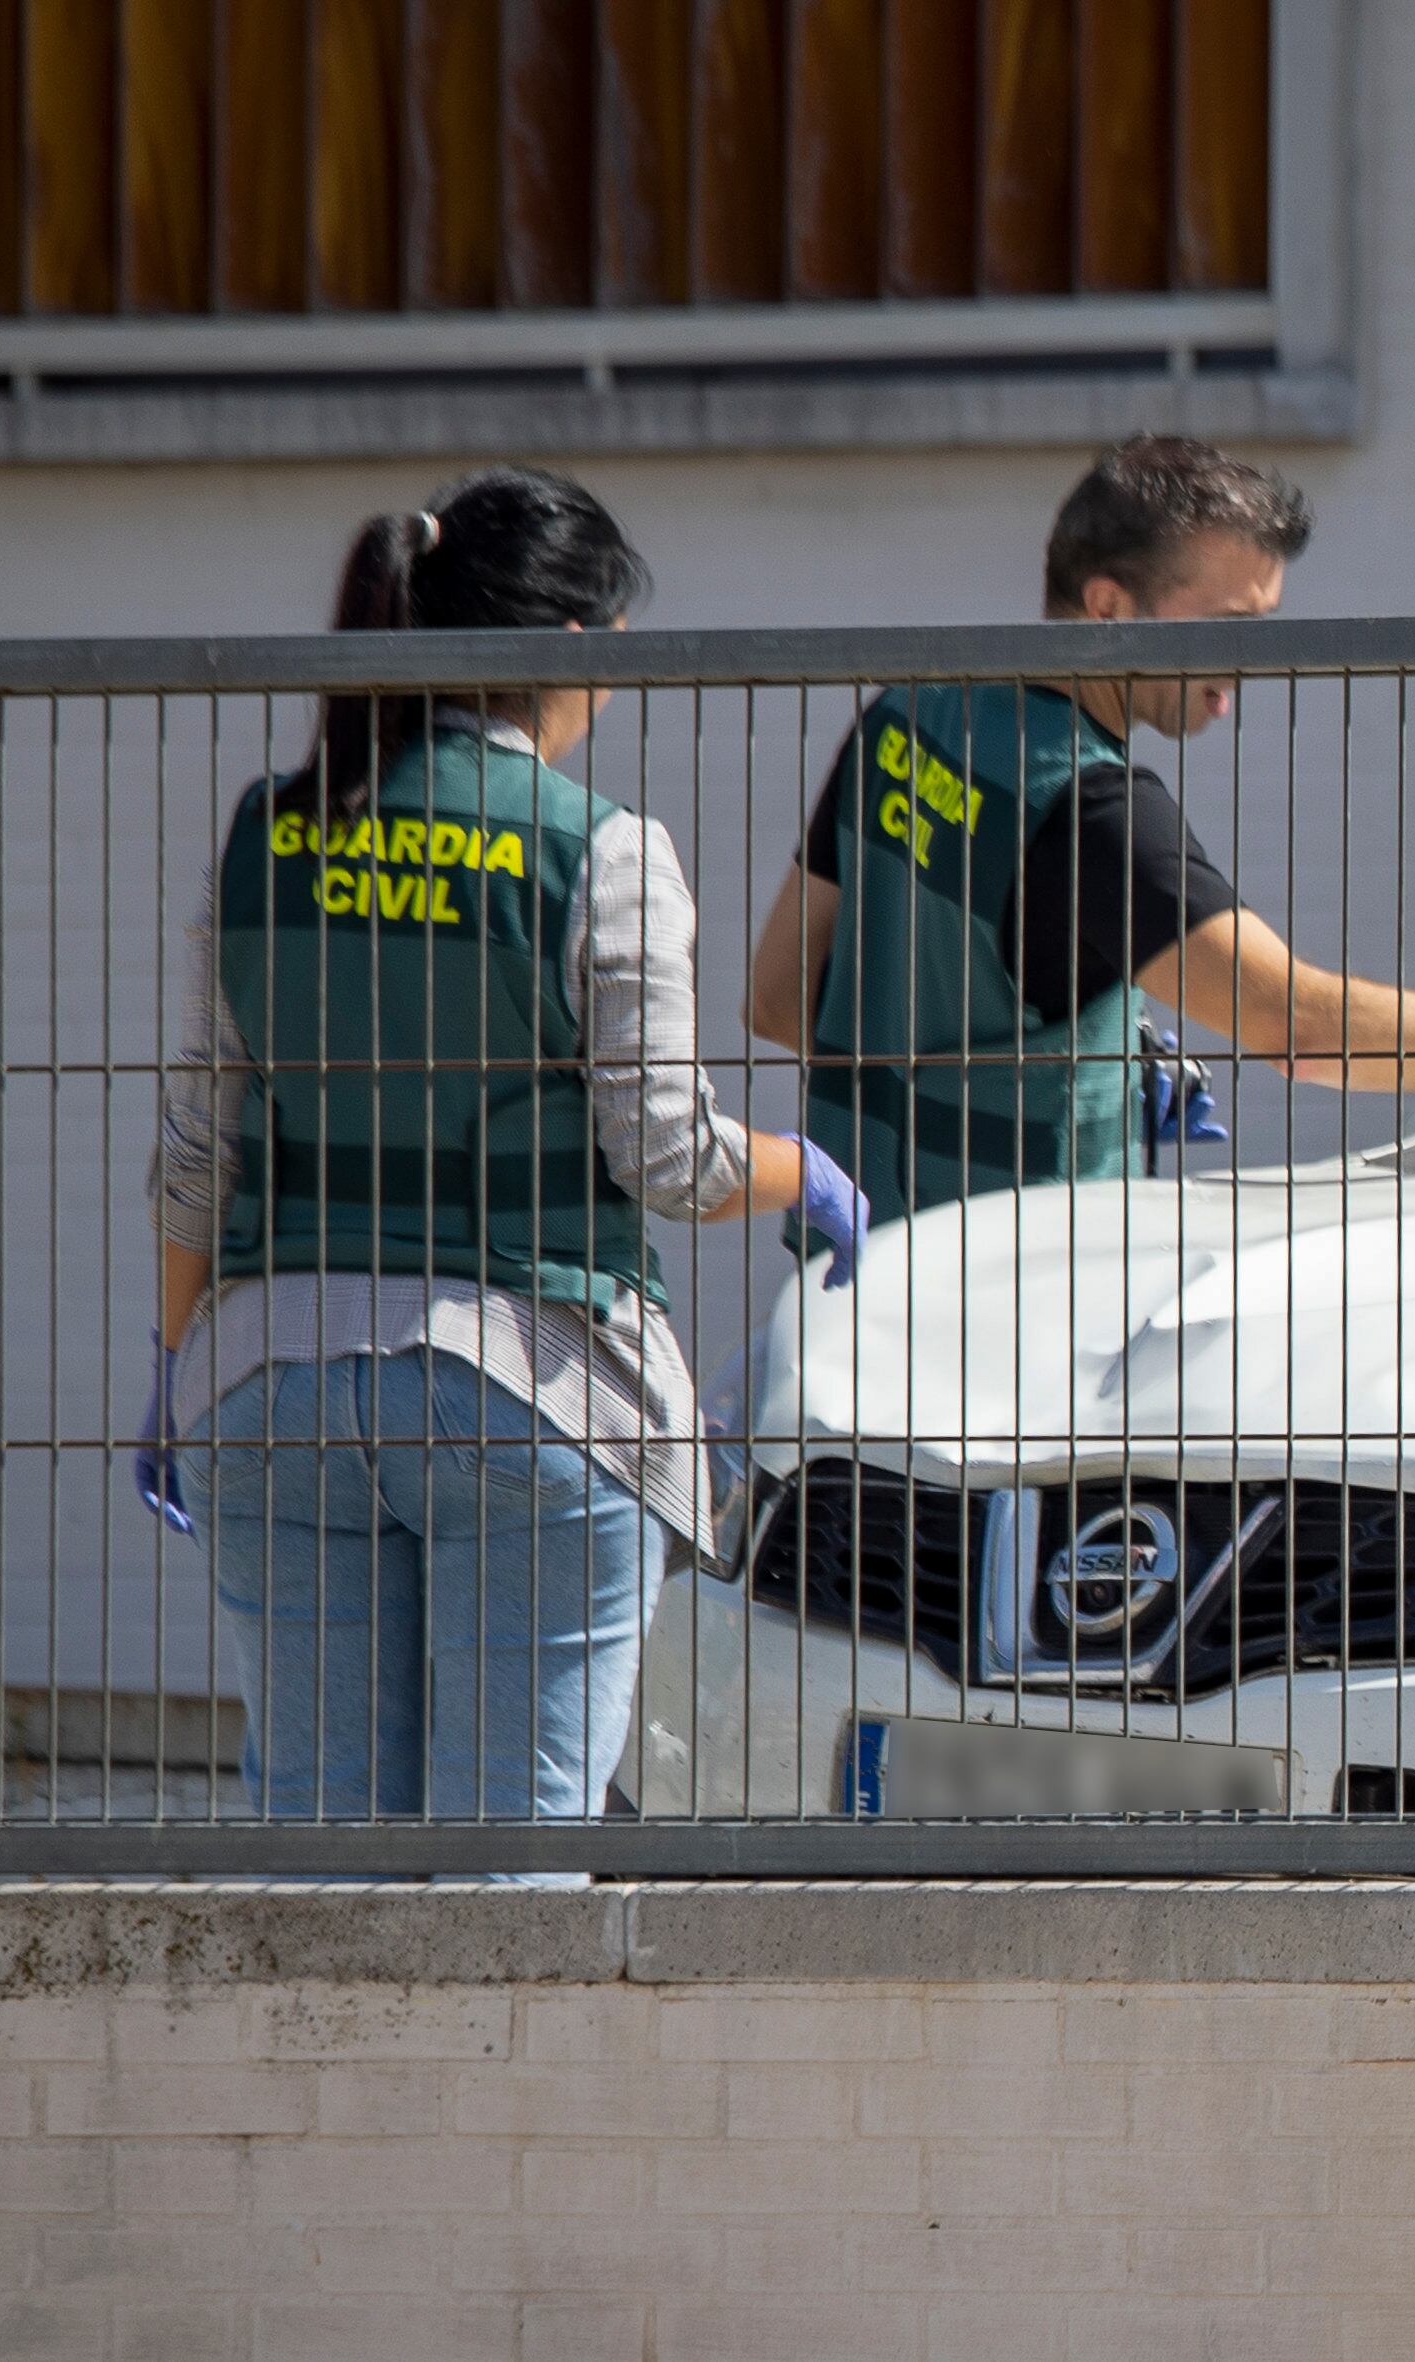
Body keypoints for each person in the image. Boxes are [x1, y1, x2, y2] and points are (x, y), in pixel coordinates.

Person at [132, 466, 869, 1826]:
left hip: (266, 1388)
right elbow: (663, 1156)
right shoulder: (602, 850)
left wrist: (178, 1369)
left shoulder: (266, 835)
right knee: (510, 1860)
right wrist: (802, 1170)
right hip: (529, 1392)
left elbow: (199, 1146)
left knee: (327, 1846)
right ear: (572, 648)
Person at [744, 434, 1415, 1230]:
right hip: (1017, 1308)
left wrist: (1078, 1064)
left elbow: (782, 1000)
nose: (1246, 664)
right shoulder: (1096, 812)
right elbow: (1303, 1028)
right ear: (1109, 605)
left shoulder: (910, 720)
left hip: (862, 1280)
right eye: (1228, 626)